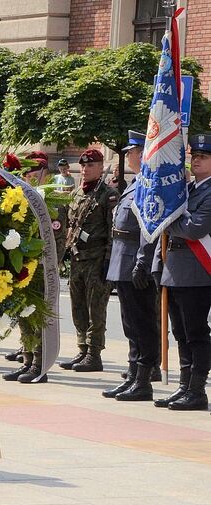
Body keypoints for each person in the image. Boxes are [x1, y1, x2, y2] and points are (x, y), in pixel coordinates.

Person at [153, 134, 211, 412]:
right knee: (180, 332)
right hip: (176, 270)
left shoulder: (209, 192)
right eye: (194, 156)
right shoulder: (188, 190)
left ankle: (198, 390)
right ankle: (185, 385)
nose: (196, 160)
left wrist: (169, 220)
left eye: (203, 157)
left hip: (198, 272)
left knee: (196, 333)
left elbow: (194, 229)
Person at [103, 131, 160, 401]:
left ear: (145, 154)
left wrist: (142, 261)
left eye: (133, 152)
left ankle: (144, 379)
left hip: (135, 261)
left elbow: (150, 228)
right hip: (121, 259)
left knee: (142, 322)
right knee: (130, 324)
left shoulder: (150, 184)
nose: (129, 156)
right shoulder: (135, 183)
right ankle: (133, 375)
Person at [2, 150, 60, 383]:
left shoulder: (53, 200)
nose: (29, 176)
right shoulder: (23, 199)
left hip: (43, 269)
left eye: (34, 171)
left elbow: (59, 238)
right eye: (26, 172)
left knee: (40, 318)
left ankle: (40, 364)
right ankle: (27, 360)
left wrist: (50, 267)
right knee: (25, 317)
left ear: (45, 173)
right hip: (25, 268)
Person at [61, 149, 119, 372]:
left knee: (96, 308)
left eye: (91, 165)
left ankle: (94, 354)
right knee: (78, 307)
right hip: (77, 258)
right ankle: (83, 348)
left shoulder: (108, 195)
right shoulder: (77, 194)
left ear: (101, 166)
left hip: (97, 259)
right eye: (83, 165)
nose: (85, 169)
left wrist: (108, 261)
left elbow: (113, 230)